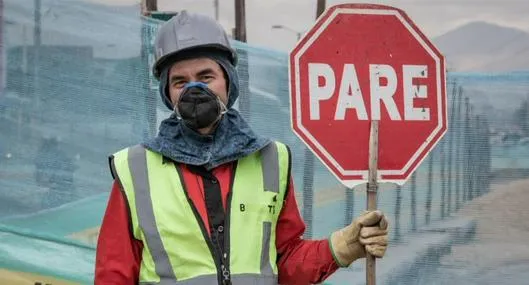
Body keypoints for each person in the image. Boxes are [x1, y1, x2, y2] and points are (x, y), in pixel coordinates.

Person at [95, 10, 388, 285]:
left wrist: (341, 248)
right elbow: (113, 275)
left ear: (228, 81)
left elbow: (284, 262)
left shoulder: (271, 160)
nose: (194, 90)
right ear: (168, 94)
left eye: (206, 77)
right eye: (180, 81)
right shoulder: (135, 169)